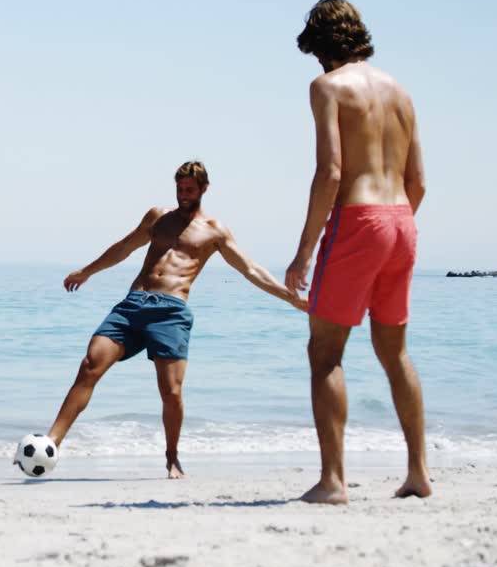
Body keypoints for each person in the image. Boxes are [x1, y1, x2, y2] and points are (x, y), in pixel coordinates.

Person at [48, 161, 306, 478]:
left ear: (203, 190)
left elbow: (250, 269)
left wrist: (289, 297)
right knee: (90, 365)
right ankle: (52, 442)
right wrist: (86, 272)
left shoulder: (214, 231)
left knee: (171, 392)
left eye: (190, 190)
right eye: (179, 189)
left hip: (171, 311)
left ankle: (172, 457)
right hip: (134, 303)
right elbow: (124, 248)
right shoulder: (157, 217)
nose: (183, 195)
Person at [284, 0, 430, 504]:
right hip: (402, 221)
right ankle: (418, 473)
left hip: (358, 220)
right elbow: (419, 182)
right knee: (395, 353)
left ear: (320, 46)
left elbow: (331, 172)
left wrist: (304, 252)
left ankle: (333, 481)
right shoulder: (401, 92)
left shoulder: (327, 86)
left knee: (325, 354)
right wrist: (392, 226)